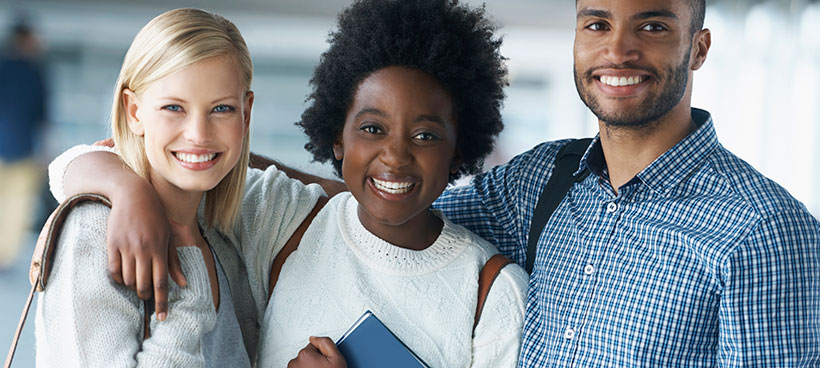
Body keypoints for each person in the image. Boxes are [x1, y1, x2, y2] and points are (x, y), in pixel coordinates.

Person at [47, 1, 526, 366]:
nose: (395, 156)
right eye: (372, 129)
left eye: (425, 135)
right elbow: (91, 161)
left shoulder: (493, 294)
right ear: (337, 139)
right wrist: (124, 188)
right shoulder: (280, 218)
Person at [432, 0, 820, 366]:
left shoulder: (766, 231)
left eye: (652, 27)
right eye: (598, 25)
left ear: (698, 49)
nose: (617, 51)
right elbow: (396, 227)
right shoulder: (537, 179)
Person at [35, 8, 323, 367]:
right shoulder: (94, 232)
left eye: (221, 109)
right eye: (174, 107)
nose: (199, 135)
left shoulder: (223, 230)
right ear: (135, 112)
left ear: (246, 114)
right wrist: (187, 280)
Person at [0, 21, 48, 269]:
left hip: (8, 147)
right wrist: (45, 151)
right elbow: (42, 117)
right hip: (23, 150)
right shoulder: (34, 72)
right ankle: (4, 257)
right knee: (16, 207)